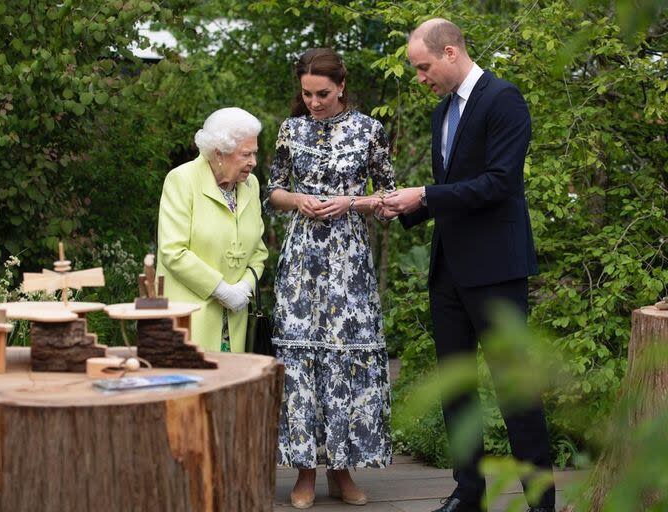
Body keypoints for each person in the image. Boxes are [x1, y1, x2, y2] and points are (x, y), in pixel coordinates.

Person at [380, 19, 556, 512]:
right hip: (449, 271)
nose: (421, 77)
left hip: (497, 270)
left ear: (451, 52)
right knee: (456, 387)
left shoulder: (504, 99)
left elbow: (499, 183)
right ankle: (468, 492)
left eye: (424, 66)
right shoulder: (441, 112)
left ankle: (541, 501)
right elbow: (453, 192)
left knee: (515, 392)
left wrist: (426, 194)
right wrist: (407, 206)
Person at [267, 48, 395, 509]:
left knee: (344, 360)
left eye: (322, 93)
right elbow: (272, 190)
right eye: (306, 94)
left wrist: (351, 203)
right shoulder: (291, 129)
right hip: (302, 261)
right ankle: (304, 473)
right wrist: (297, 199)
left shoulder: (369, 130)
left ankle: (342, 471)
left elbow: (390, 196)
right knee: (301, 363)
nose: (314, 102)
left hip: (348, 259)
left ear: (341, 86)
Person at [156, 107, 268, 353]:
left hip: (234, 322)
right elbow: (173, 251)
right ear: (220, 153)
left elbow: (258, 252)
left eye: (254, 153)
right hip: (189, 317)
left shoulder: (251, 185)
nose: (253, 162)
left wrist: (244, 288)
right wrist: (221, 290)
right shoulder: (182, 180)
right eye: (246, 154)